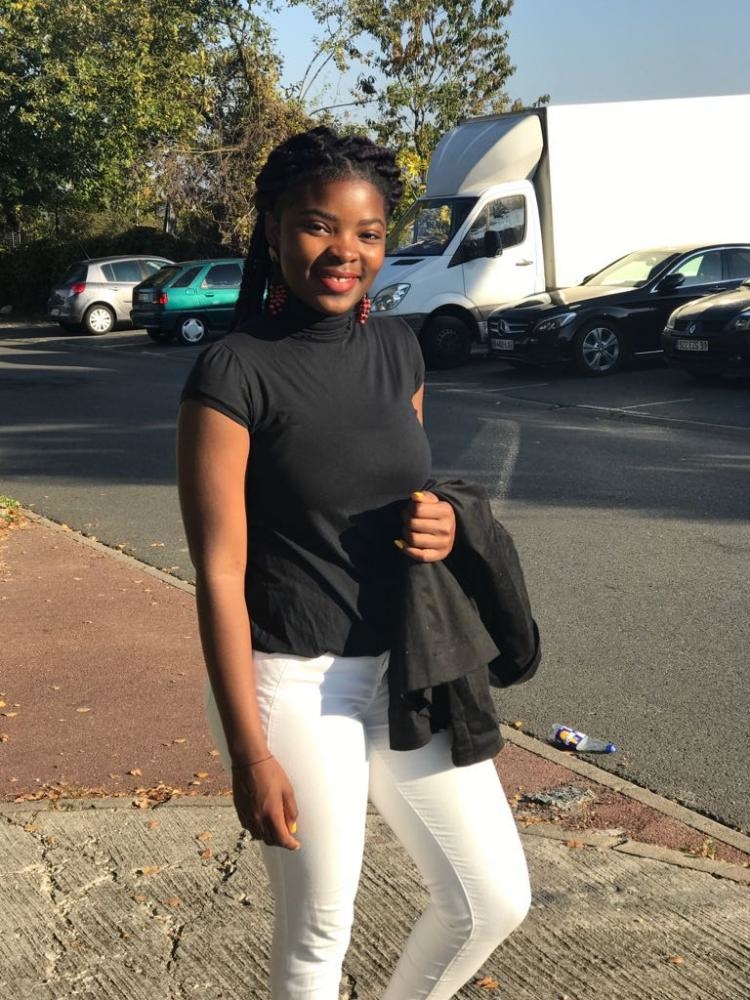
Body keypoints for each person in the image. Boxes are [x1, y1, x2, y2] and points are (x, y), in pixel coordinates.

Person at [176, 126, 531, 1000]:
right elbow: (218, 572)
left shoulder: (400, 349)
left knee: (491, 900)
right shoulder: (233, 373)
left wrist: (442, 522)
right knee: (318, 936)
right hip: (294, 683)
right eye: (317, 225)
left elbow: (403, 482)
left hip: (409, 668)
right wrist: (250, 754)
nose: (345, 251)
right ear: (272, 229)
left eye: (368, 233)